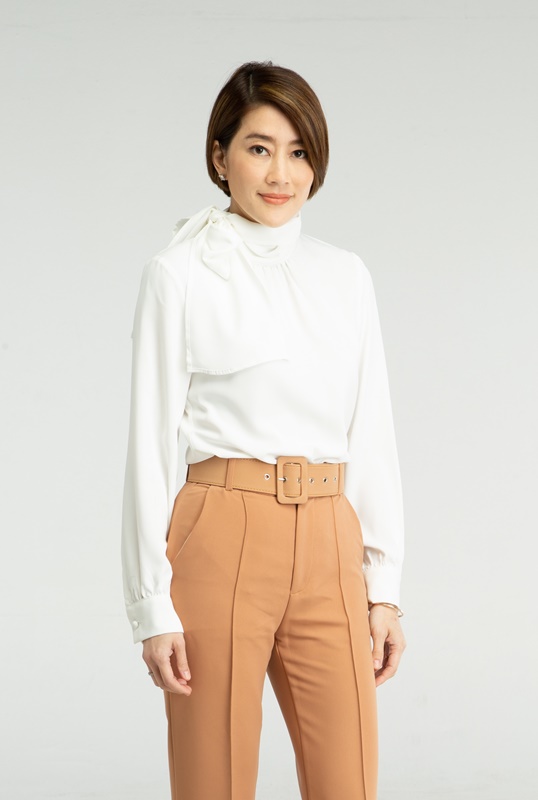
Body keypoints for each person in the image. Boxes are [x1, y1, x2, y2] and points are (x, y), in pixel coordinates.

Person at [121, 60, 406, 800]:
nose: (281, 173)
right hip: (221, 532)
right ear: (220, 157)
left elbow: (371, 432)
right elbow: (149, 446)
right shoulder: (179, 273)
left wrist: (384, 588)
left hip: (330, 540)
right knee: (212, 780)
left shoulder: (346, 275)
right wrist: (151, 604)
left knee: (349, 783)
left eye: (299, 151)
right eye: (258, 148)